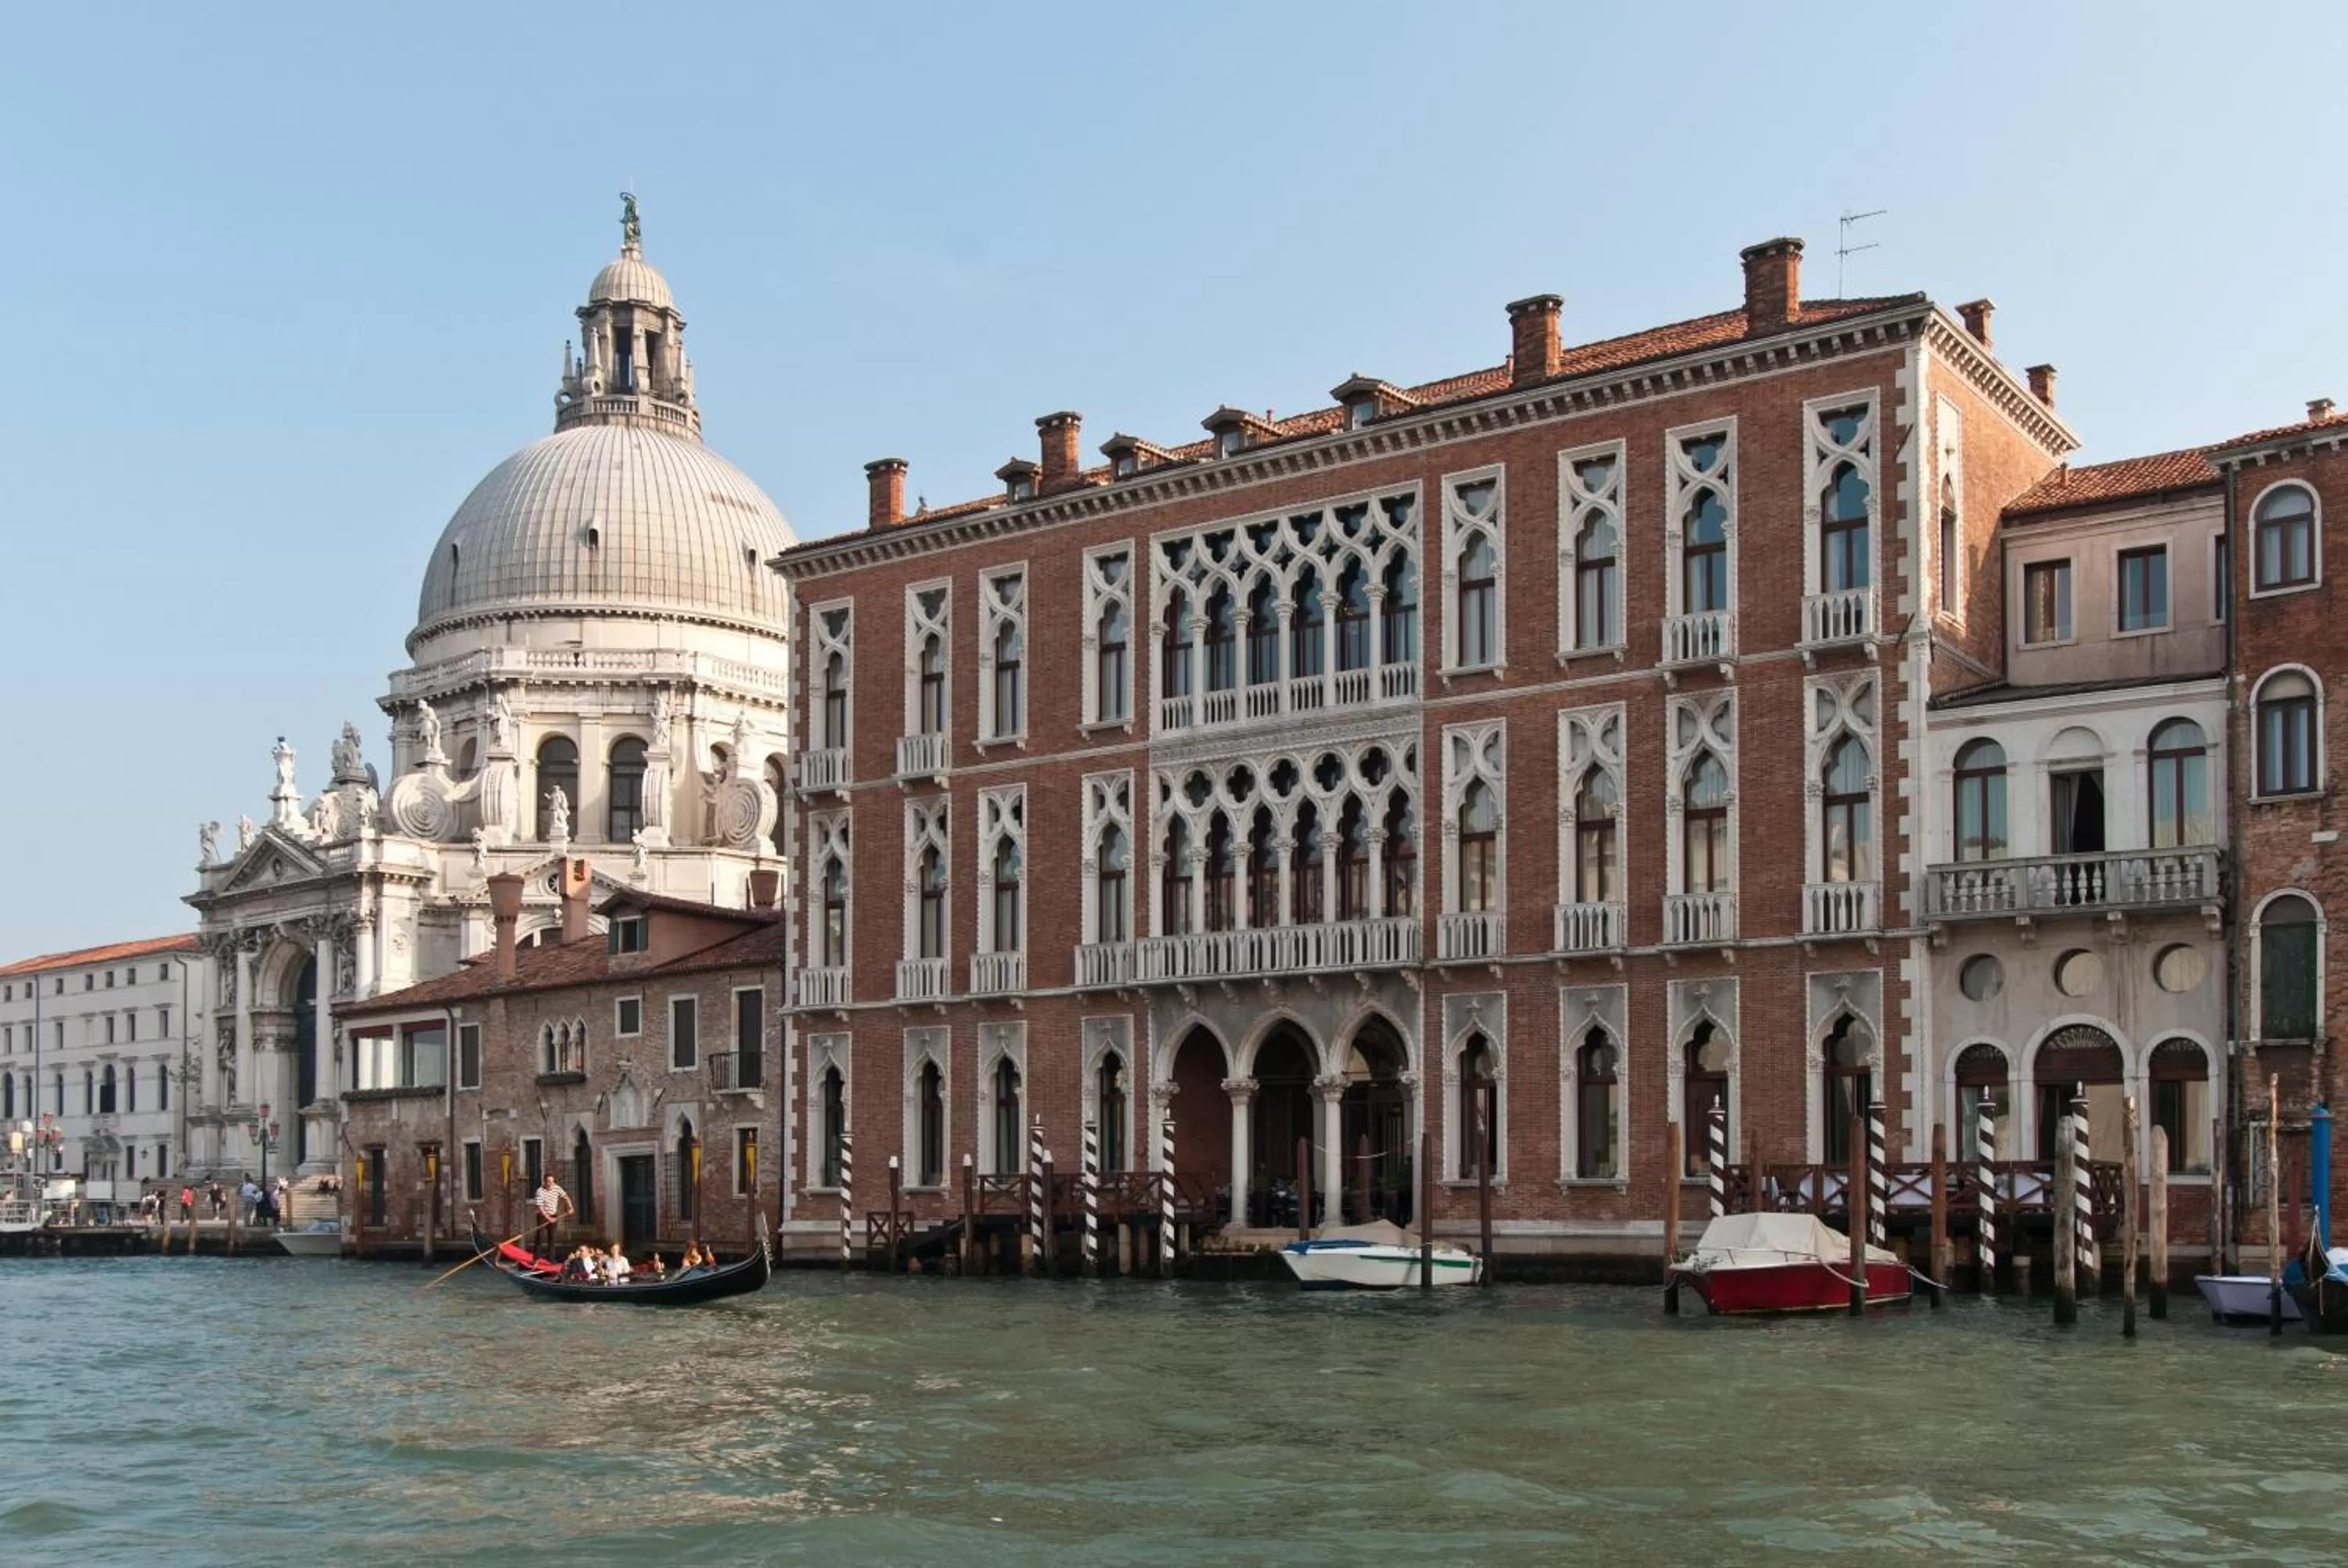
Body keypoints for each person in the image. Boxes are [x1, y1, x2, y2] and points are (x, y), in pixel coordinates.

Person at [531, 1172, 573, 1258]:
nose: (551, 1184)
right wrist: (548, 1218)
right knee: (540, 1236)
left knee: (552, 1237)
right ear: (544, 1181)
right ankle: (536, 1257)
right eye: (549, 1181)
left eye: (552, 1182)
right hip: (542, 1216)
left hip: (554, 1215)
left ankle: (551, 1258)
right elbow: (540, 1207)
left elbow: (566, 1197)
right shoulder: (540, 1191)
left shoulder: (557, 1188)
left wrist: (570, 1207)